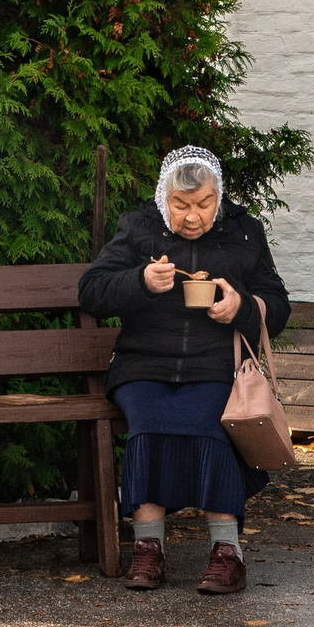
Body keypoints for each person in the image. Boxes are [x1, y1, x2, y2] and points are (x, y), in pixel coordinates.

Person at [78, 146, 291, 595]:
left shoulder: (244, 233)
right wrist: (140, 281)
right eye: (181, 205)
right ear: (164, 198)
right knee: (149, 423)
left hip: (216, 366)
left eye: (204, 204)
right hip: (142, 364)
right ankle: (148, 550)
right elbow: (93, 291)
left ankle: (227, 554)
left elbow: (278, 302)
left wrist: (242, 307)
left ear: (219, 197)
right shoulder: (138, 228)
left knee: (207, 425)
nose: (192, 217)